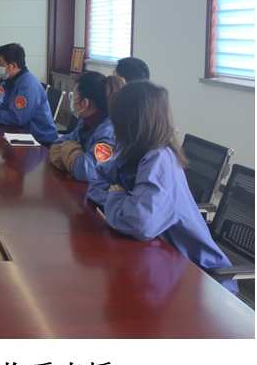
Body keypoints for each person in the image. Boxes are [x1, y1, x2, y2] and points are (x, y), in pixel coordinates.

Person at [86, 81, 234, 278]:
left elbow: (139, 224)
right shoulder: (133, 151)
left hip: (196, 273)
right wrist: (125, 204)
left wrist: (117, 198)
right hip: (160, 256)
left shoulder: (159, 160)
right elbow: (96, 181)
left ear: (129, 121)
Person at [0, 43, 58, 144]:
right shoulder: (12, 81)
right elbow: (5, 107)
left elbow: (17, 118)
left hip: (39, 141)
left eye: (1, 64)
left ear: (13, 66)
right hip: (21, 135)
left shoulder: (27, 86)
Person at [49, 72, 122, 182]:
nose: (72, 101)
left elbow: (86, 172)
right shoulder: (85, 122)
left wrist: (67, 147)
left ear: (84, 103)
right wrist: (75, 160)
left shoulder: (109, 133)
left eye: (73, 96)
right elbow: (55, 146)